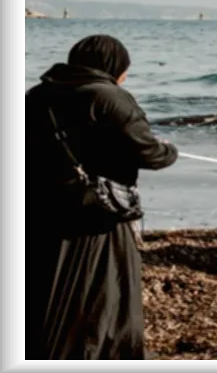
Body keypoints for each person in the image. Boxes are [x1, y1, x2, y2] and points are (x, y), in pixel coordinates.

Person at [24, 34, 179, 360]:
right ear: (114, 66)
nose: (125, 76)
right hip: (97, 216)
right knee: (107, 290)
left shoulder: (38, 95)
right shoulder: (110, 98)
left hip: (43, 208)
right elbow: (148, 153)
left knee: (47, 287)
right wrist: (170, 151)